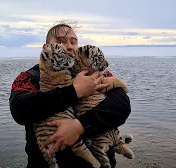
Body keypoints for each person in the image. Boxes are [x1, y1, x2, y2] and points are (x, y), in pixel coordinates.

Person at [9, 21, 131, 168]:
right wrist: (74, 92)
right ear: (46, 47)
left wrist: (79, 126)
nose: (69, 46)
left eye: (74, 42)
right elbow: (19, 110)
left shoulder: (96, 73)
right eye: (61, 41)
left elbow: (122, 105)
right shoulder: (30, 77)